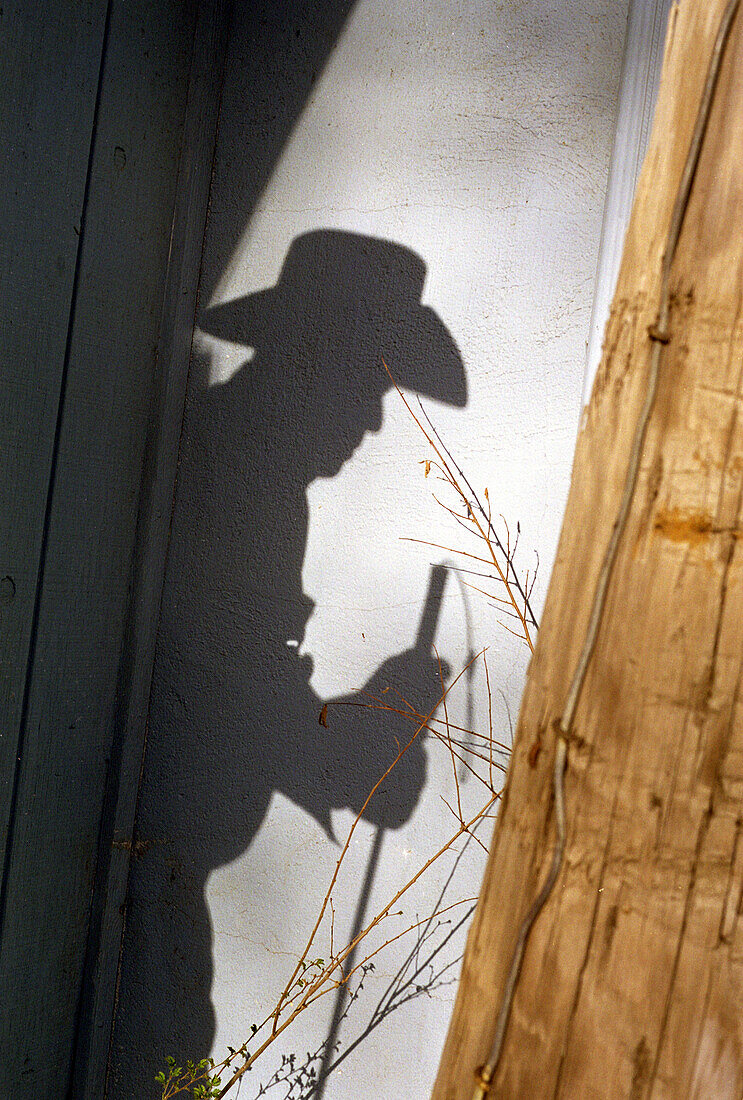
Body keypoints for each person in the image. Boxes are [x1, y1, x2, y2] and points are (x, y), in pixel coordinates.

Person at [108, 230, 466, 1094]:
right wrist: (363, 739)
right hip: (128, 908)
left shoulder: (249, 472)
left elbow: (249, 695)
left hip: (151, 895)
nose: (376, 418)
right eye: (368, 383)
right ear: (310, 361)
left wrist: (363, 727)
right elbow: (240, 703)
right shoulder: (238, 479)